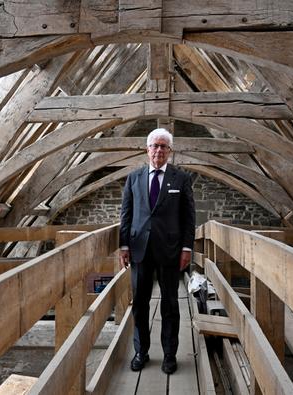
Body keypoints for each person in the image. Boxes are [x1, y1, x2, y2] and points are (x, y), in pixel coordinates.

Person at [119, 127, 196, 374]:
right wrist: (123, 245)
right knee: (140, 304)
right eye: (155, 145)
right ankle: (141, 352)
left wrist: (186, 247)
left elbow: (188, 217)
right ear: (147, 149)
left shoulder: (181, 179)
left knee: (170, 305)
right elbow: (126, 214)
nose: (159, 150)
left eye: (164, 146)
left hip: (170, 251)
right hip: (139, 250)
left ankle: (169, 355)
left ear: (169, 151)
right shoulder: (134, 178)